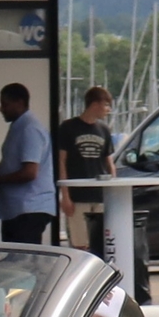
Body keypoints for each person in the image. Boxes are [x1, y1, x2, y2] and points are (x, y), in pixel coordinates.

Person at [0, 82, 55, 246]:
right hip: (16, 209)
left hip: (29, 208)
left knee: (25, 262)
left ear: (19, 103)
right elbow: (10, 164)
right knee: (14, 259)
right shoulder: (18, 127)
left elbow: (29, 172)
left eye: (5, 104)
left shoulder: (29, 129)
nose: (1, 109)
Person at [57, 86, 115, 250]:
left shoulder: (104, 129)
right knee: (80, 243)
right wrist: (65, 195)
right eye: (106, 105)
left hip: (99, 194)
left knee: (99, 242)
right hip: (77, 195)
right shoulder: (68, 127)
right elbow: (62, 161)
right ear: (95, 104)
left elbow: (109, 162)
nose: (108, 110)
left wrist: (112, 190)